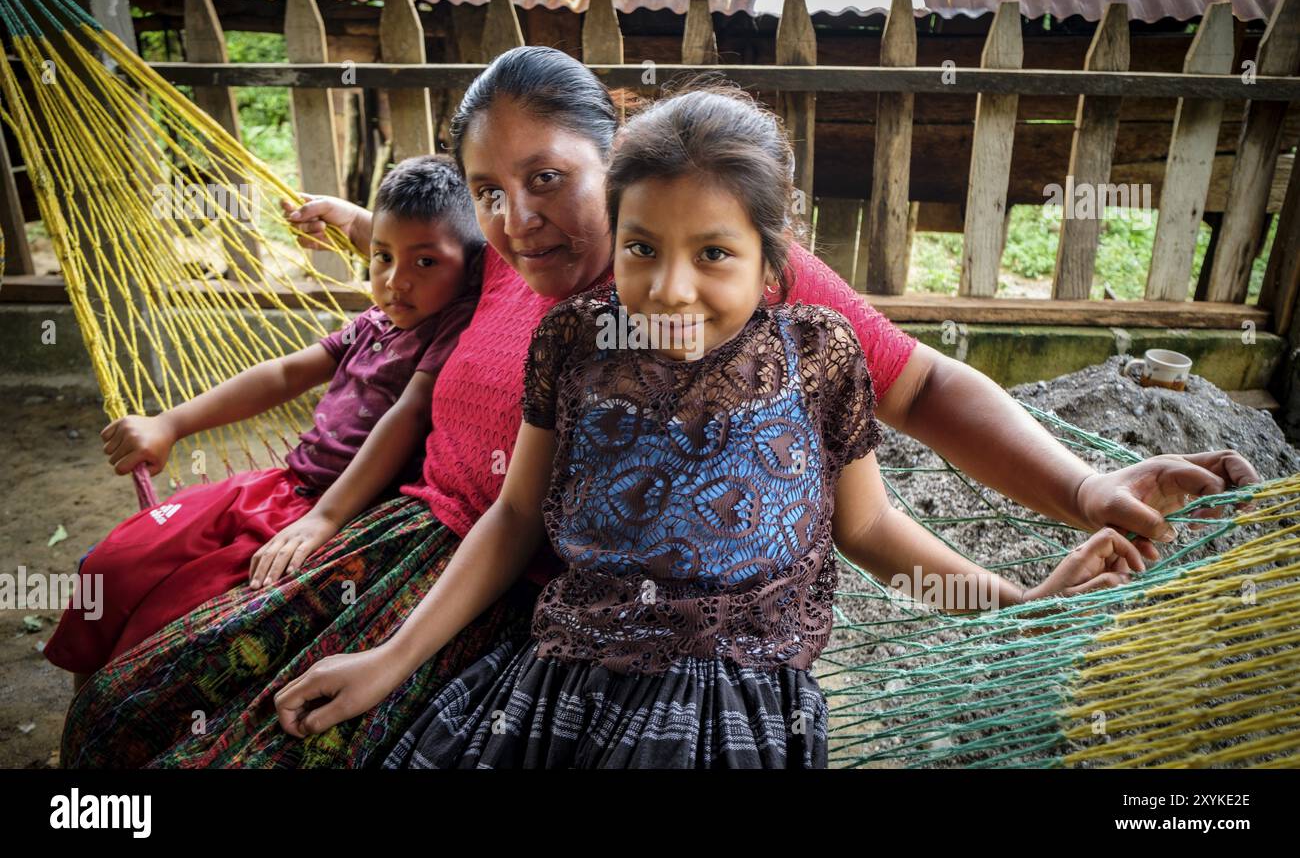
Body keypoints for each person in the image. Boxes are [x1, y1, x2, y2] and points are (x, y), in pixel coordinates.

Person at [60, 46, 1259, 769]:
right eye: (494, 189)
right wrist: (317, 499)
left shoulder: (748, 292)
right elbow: (398, 304)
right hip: (403, 561)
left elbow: (912, 423)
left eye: (549, 180)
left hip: (551, 634)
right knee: (132, 699)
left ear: (612, 154)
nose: (522, 216)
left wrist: (1085, 491)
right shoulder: (522, 290)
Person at [273, 85, 1158, 768]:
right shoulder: (574, 344)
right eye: (642, 247)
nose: (670, 289)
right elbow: (513, 519)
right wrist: (389, 659)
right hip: (562, 680)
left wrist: (1010, 606)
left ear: (776, 261)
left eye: (715, 254)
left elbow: (871, 530)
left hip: (733, 707)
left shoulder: (818, 358)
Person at [44, 155, 481, 690]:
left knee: (169, 625)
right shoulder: (375, 320)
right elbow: (283, 373)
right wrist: (171, 424)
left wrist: (324, 518)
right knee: (114, 567)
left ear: (473, 267)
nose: (395, 282)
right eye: (381, 258)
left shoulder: (456, 323)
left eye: (425, 264)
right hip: (276, 489)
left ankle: (115, 719)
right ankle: (86, 722)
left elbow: (407, 414)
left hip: (344, 514)